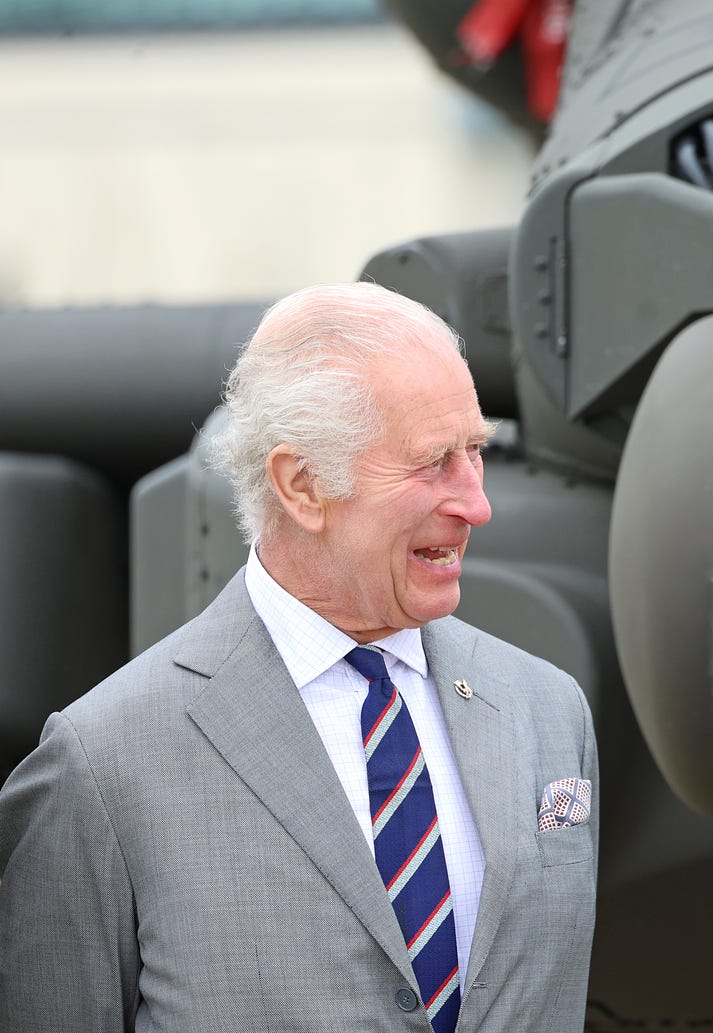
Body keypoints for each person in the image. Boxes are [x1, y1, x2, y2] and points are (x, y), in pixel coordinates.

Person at [0, 282, 599, 1033]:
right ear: (302, 484)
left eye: (475, 449)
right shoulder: (102, 763)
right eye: (432, 462)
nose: (476, 503)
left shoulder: (547, 710)